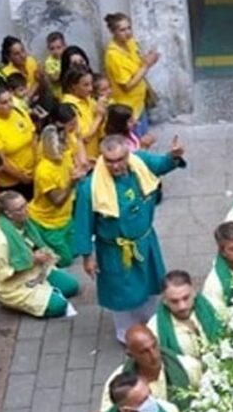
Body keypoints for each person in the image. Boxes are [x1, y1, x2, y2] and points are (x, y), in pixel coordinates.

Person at [73, 135, 186, 343]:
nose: (116, 166)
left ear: (128, 154)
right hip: (113, 250)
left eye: (120, 159)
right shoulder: (90, 187)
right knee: (122, 292)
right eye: (109, 161)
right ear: (102, 158)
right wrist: (87, 256)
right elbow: (82, 223)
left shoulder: (141, 162)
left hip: (144, 241)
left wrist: (173, 156)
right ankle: (127, 334)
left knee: (150, 284)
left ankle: (152, 323)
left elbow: (162, 164)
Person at [0, 191, 79, 317]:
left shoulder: (26, 224)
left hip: (34, 271)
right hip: (12, 285)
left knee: (71, 287)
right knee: (59, 307)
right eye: (19, 209)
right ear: (8, 214)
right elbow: (1, 275)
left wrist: (41, 256)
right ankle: (9, 302)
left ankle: (46, 291)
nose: (26, 210)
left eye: (25, 205)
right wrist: (32, 260)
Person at [99, 324, 201, 412]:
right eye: (144, 352)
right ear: (130, 354)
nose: (154, 355)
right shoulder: (119, 385)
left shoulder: (187, 367)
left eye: (154, 346)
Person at [27, 126, 86, 268]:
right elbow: (57, 202)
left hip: (64, 218)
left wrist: (80, 170)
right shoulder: (44, 171)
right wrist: (72, 184)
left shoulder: (65, 155)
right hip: (48, 222)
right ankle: (35, 243)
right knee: (65, 260)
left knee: (76, 251)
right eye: (60, 146)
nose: (64, 148)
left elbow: (74, 166)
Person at [104, 12, 160, 137]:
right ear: (113, 32)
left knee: (144, 138)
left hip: (139, 103)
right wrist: (146, 66)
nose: (128, 32)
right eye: (122, 30)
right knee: (136, 142)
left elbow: (138, 65)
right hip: (128, 108)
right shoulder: (113, 55)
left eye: (129, 28)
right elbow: (127, 86)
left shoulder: (131, 43)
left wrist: (148, 59)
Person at [146, 270, 221, 359]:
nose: (182, 306)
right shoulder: (154, 329)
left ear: (193, 292)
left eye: (186, 298)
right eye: (174, 301)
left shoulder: (215, 308)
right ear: (164, 300)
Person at [0, 84, 37, 199]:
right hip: (11, 182)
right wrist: (22, 177)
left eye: (10, 100)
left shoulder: (19, 112)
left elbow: (33, 137)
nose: (10, 105)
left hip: (32, 172)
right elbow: (0, 161)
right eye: (4, 103)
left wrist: (36, 163)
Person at [61, 65, 106, 161]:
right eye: (85, 85)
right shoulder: (69, 106)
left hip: (97, 153)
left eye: (91, 84)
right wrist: (99, 117)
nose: (90, 89)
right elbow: (84, 138)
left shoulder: (88, 98)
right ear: (73, 86)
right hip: (84, 159)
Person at [0, 36, 43, 103]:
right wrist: (37, 82)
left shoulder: (30, 60)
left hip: (37, 98)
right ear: (8, 57)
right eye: (17, 54)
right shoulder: (7, 74)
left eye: (23, 50)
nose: (22, 56)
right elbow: (22, 102)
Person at [44, 32, 66, 99]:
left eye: (59, 47)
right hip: (59, 95)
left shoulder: (68, 56)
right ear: (48, 48)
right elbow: (54, 78)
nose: (56, 51)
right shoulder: (49, 62)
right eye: (52, 49)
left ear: (64, 46)